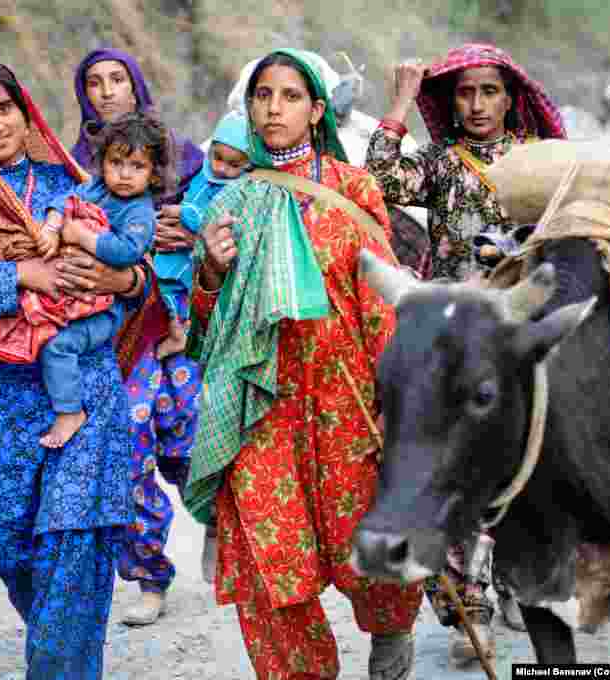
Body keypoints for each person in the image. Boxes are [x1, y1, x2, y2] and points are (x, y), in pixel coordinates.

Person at [185, 48, 423, 680]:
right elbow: (206, 327)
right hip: (263, 409)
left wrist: (396, 402)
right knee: (272, 563)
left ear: (317, 110)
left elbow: (380, 298)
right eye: (263, 95)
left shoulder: (353, 190)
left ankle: (391, 633)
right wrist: (209, 270)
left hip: (347, 402)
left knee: (369, 546)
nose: (274, 108)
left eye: (290, 96)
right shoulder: (228, 203)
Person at [0, 58, 144, 679]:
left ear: (26, 110)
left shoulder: (75, 186)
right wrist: (20, 275)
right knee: (24, 561)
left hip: (85, 397)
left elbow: (142, 277)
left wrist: (129, 277)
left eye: (3, 109)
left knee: (75, 543)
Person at [365, 42, 567, 662]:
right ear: (451, 102)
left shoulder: (540, 162)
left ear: (511, 98)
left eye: (490, 91)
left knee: (527, 461)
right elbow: (377, 180)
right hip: (451, 340)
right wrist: (400, 102)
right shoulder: (440, 163)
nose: (477, 105)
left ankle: (515, 579)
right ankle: (467, 604)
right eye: (465, 93)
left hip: (514, 330)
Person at [71, 47, 204, 626]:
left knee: (190, 439)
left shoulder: (189, 158)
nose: (105, 91)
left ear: (137, 83)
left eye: (117, 79)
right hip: (117, 341)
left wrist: (190, 234)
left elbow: (226, 224)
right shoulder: (75, 171)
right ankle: (150, 573)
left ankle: (224, 531)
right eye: (93, 82)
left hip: (179, 332)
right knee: (129, 453)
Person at [34, 111, 168, 447]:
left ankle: (70, 413)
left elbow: (125, 252)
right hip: (69, 295)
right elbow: (62, 200)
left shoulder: (139, 211)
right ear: (102, 162)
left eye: (137, 167)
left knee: (58, 347)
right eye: (116, 163)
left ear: (153, 175)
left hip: (104, 311)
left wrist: (81, 236)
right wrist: (52, 225)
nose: (124, 174)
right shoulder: (95, 188)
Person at [154, 110, 250, 359]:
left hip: (199, 260)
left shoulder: (240, 189)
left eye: (233, 164)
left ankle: (183, 334)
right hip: (174, 251)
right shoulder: (203, 171)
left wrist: (182, 211)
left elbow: (214, 219)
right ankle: (176, 331)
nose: (221, 169)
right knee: (163, 287)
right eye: (217, 158)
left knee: (189, 296)